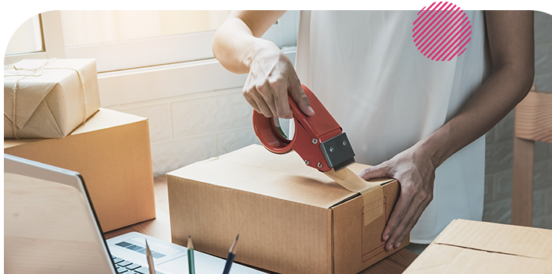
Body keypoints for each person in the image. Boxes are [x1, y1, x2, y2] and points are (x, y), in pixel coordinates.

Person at [213, 10, 534, 251]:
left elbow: (515, 69)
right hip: (323, 204)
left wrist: (430, 156)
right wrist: (259, 53)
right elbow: (229, 33)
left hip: (427, 211)